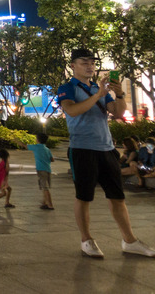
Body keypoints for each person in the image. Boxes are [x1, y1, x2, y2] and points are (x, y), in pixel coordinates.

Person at [57, 48, 155, 258]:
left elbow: (119, 113)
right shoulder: (67, 88)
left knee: (117, 197)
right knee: (84, 197)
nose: (90, 66)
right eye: (84, 62)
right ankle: (86, 240)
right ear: (72, 65)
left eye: (92, 62)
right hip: (82, 149)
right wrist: (98, 95)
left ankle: (129, 241)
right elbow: (71, 110)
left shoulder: (97, 87)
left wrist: (118, 93)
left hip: (107, 148)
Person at [26, 133, 54, 209]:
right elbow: (52, 159)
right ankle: (44, 203)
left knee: (45, 188)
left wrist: (16, 141)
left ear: (38, 140)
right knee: (44, 186)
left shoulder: (36, 147)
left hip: (41, 170)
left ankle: (50, 205)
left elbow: (25, 146)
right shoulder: (47, 149)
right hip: (48, 169)